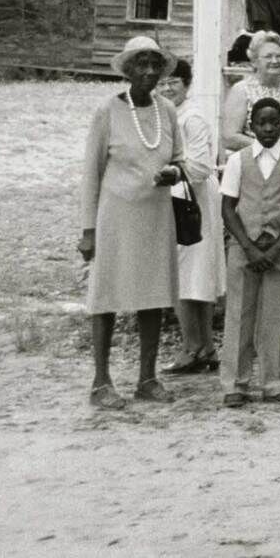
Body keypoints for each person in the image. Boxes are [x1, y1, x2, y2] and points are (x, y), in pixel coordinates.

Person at [78, 36, 189, 409]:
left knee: (153, 296)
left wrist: (173, 173)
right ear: (127, 70)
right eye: (140, 64)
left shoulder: (167, 111)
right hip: (115, 216)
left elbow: (181, 159)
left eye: (154, 65)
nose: (148, 71)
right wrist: (87, 230)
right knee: (106, 296)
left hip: (156, 215)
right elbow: (91, 173)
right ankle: (100, 382)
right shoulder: (107, 111)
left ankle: (147, 378)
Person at [219, 97, 280, 408]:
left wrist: (277, 246)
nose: (268, 128)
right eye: (262, 123)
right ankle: (236, 383)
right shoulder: (238, 161)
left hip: (278, 249)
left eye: (274, 122)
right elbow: (228, 208)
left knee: (274, 316)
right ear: (251, 126)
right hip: (243, 248)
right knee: (239, 315)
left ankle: (274, 382)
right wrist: (247, 246)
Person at [158, 60, 221, 375]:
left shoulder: (192, 119)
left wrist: (169, 170)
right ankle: (202, 347)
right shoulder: (163, 114)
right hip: (177, 195)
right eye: (163, 83)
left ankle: (194, 348)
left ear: (186, 84)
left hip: (192, 200)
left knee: (191, 274)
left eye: (174, 82)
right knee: (188, 274)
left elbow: (201, 167)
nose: (168, 88)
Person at [221, 31, 280, 155]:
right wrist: (272, 148)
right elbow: (229, 137)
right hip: (254, 163)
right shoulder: (242, 90)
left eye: (279, 56)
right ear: (254, 61)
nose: (275, 60)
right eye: (268, 56)